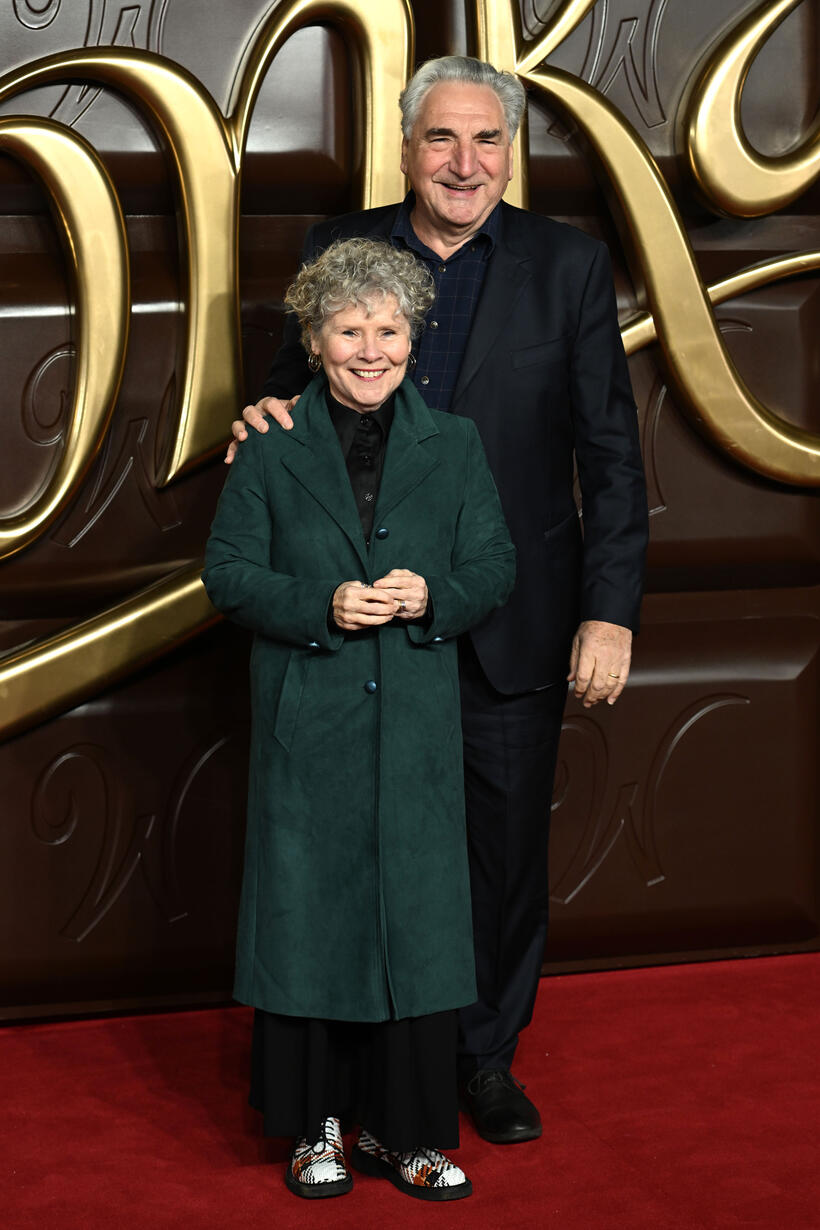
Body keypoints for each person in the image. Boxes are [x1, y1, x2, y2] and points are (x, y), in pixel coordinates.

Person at [228, 55, 648, 1146]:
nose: (464, 163)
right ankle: (370, 1076)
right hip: (357, 629)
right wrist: (259, 418)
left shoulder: (567, 265)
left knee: (501, 857)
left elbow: (609, 457)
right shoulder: (339, 244)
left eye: (487, 140)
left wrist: (610, 611)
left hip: (508, 619)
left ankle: (483, 1061)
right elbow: (291, 383)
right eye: (440, 139)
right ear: (406, 148)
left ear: (511, 151)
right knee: (358, 845)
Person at [204, 237, 515, 1200]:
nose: (370, 348)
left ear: (412, 339)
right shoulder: (267, 445)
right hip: (311, 723)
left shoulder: (455, 442)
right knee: (310, 926)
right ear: (313, 338)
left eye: (388, 329)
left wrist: (436, 598)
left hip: (417, 728)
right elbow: (229, 575)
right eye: (349, 329)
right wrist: (322, 605)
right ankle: (314, 1132)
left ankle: (408, 1134)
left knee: (417, 929)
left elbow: (496, 567)